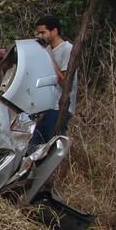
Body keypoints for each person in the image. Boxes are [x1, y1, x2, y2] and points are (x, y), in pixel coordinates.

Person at [31, 14, 78, 145]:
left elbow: (64, 82)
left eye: (43, 32)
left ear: (54, 31)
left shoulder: (67, 49)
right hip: (44, 107)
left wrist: (49, 57)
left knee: (53, 147)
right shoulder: (46, 49)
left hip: (59, 107)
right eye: (39, 33)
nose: (40, 36)